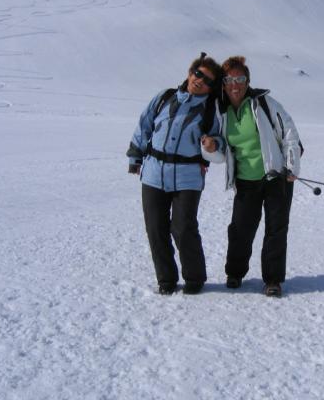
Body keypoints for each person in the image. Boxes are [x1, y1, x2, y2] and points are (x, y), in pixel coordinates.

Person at [201, 56, 302, 297]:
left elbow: (288, 132)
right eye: (229, 79)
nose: (235, 84)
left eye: (240, 79)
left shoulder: (263, 104)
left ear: (247, 81)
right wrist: (210, 148)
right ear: (223, 83)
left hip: (275, 176)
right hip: (245, 180)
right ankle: (235, 273)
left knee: (276, 229)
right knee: (240, 229)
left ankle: (273, 280)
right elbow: (222, 152)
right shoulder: (221, 111)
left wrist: (291, 166)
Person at [127, 53, 224, 295]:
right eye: (198, 74)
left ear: (211, 88)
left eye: (207, 81)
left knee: (183, 228)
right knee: (155, 229)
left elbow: (221, 139)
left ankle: (195, 278)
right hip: (153, 173)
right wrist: (135, 156)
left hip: (187, 177)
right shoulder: (165, 97)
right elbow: (145, 124)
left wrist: (214, 144)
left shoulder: (211, 110)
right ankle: (166, 280)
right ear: (190, 72)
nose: (200, 81)